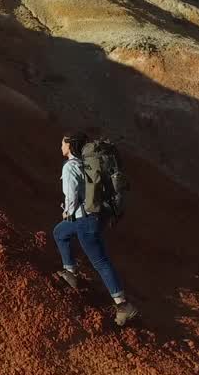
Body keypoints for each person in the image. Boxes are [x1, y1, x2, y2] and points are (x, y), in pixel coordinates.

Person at [53, 133, 138, 326]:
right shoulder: (89, 164)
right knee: (60, 232)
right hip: (95, 216)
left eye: (63, 143)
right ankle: (70, 273)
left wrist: (67, 211)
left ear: (70, 146)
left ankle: (124, 305)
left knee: (100, 261)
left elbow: (72, 195)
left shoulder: (71, 167)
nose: (61, 147)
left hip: (85, 220)